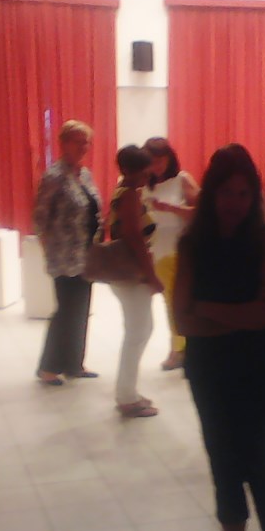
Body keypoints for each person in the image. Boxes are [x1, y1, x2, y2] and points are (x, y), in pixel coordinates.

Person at [173, 144, 265, 531]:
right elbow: (182, 321)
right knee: (223, 465)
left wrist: (209, 309)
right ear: (212, 193)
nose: (235, 203)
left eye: (244, 193)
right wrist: (243, 316)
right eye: (227, 192)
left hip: (261, 370)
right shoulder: (192, 244)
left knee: (263, 466)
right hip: (209, 371)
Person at [33, 120, 102, 386]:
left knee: (81, 310)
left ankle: (74, 363)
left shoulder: (85, 174)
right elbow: (40, 218)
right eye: (78, 142)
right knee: (65, 310)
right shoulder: (54, 176)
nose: (84, 147)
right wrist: (49, 250)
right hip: (63, 254)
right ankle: (48, 367)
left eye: (87, 142)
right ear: (63, 143)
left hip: (86, 253)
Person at [109, 145, 164, 418]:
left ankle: (127, 390)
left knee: (140, 330)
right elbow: (134, 238)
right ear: (130, 170)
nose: (147, 174)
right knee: (137, 332)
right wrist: (151, 275)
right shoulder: (129, 195)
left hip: (128, 273)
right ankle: (126, 396)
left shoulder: (125, 192)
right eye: (143, 170)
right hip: (132, 273)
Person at [142, 136, 199, 371]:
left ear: (169, 158)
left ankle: (182, 349)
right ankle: (180, 348)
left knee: (182, 301)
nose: (156, 166)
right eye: (152, 161)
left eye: (160, 160)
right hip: (158, 250)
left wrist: (172, 209)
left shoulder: (181, 179)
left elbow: (202, 211)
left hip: (181, 248)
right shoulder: (145, 185)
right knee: (170, 302)